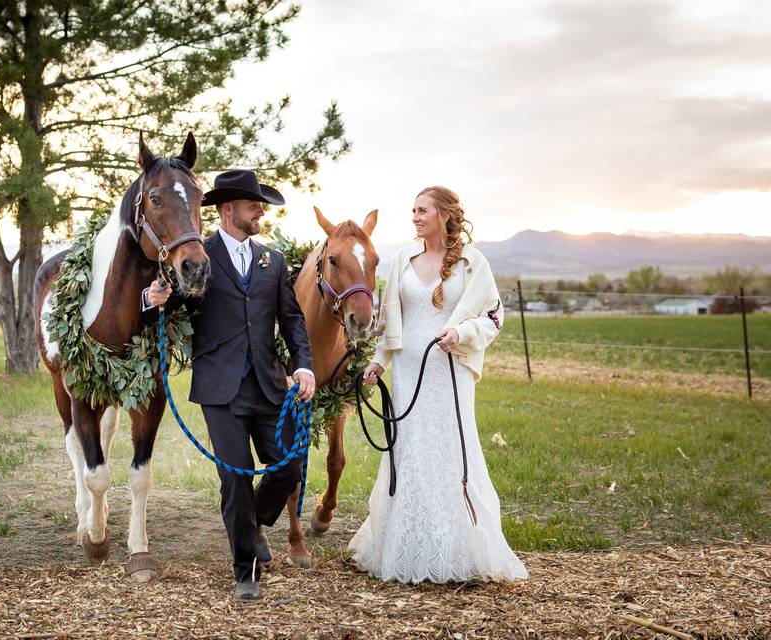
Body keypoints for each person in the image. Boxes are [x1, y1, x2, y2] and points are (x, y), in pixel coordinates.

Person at [142, 169, 315, 601]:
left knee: (287, 468)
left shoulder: (271, 261)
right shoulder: (199, 256)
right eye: (254, 205)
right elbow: (172, 303)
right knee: (233, 478)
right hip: (221, 389)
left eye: (261, 205)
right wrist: (152, 300)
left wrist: (305, 367)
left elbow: (291, 320)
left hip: (272, 386)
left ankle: (253, 521)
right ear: (228, 210)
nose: (260, 212)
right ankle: (246, 571)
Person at [349, 186, 527, 584]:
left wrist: (461, 334)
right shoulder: (400, 262)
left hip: (450, 371)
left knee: (449, 448)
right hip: (409, 368)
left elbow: (494, 317)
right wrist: (379, 362)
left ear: (445, 215)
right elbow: (388, 321)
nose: (415, 216)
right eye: (412, 210)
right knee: (410, 448)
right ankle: (408, 544)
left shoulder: (471, 263)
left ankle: (458, 548)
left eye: (423, 210)